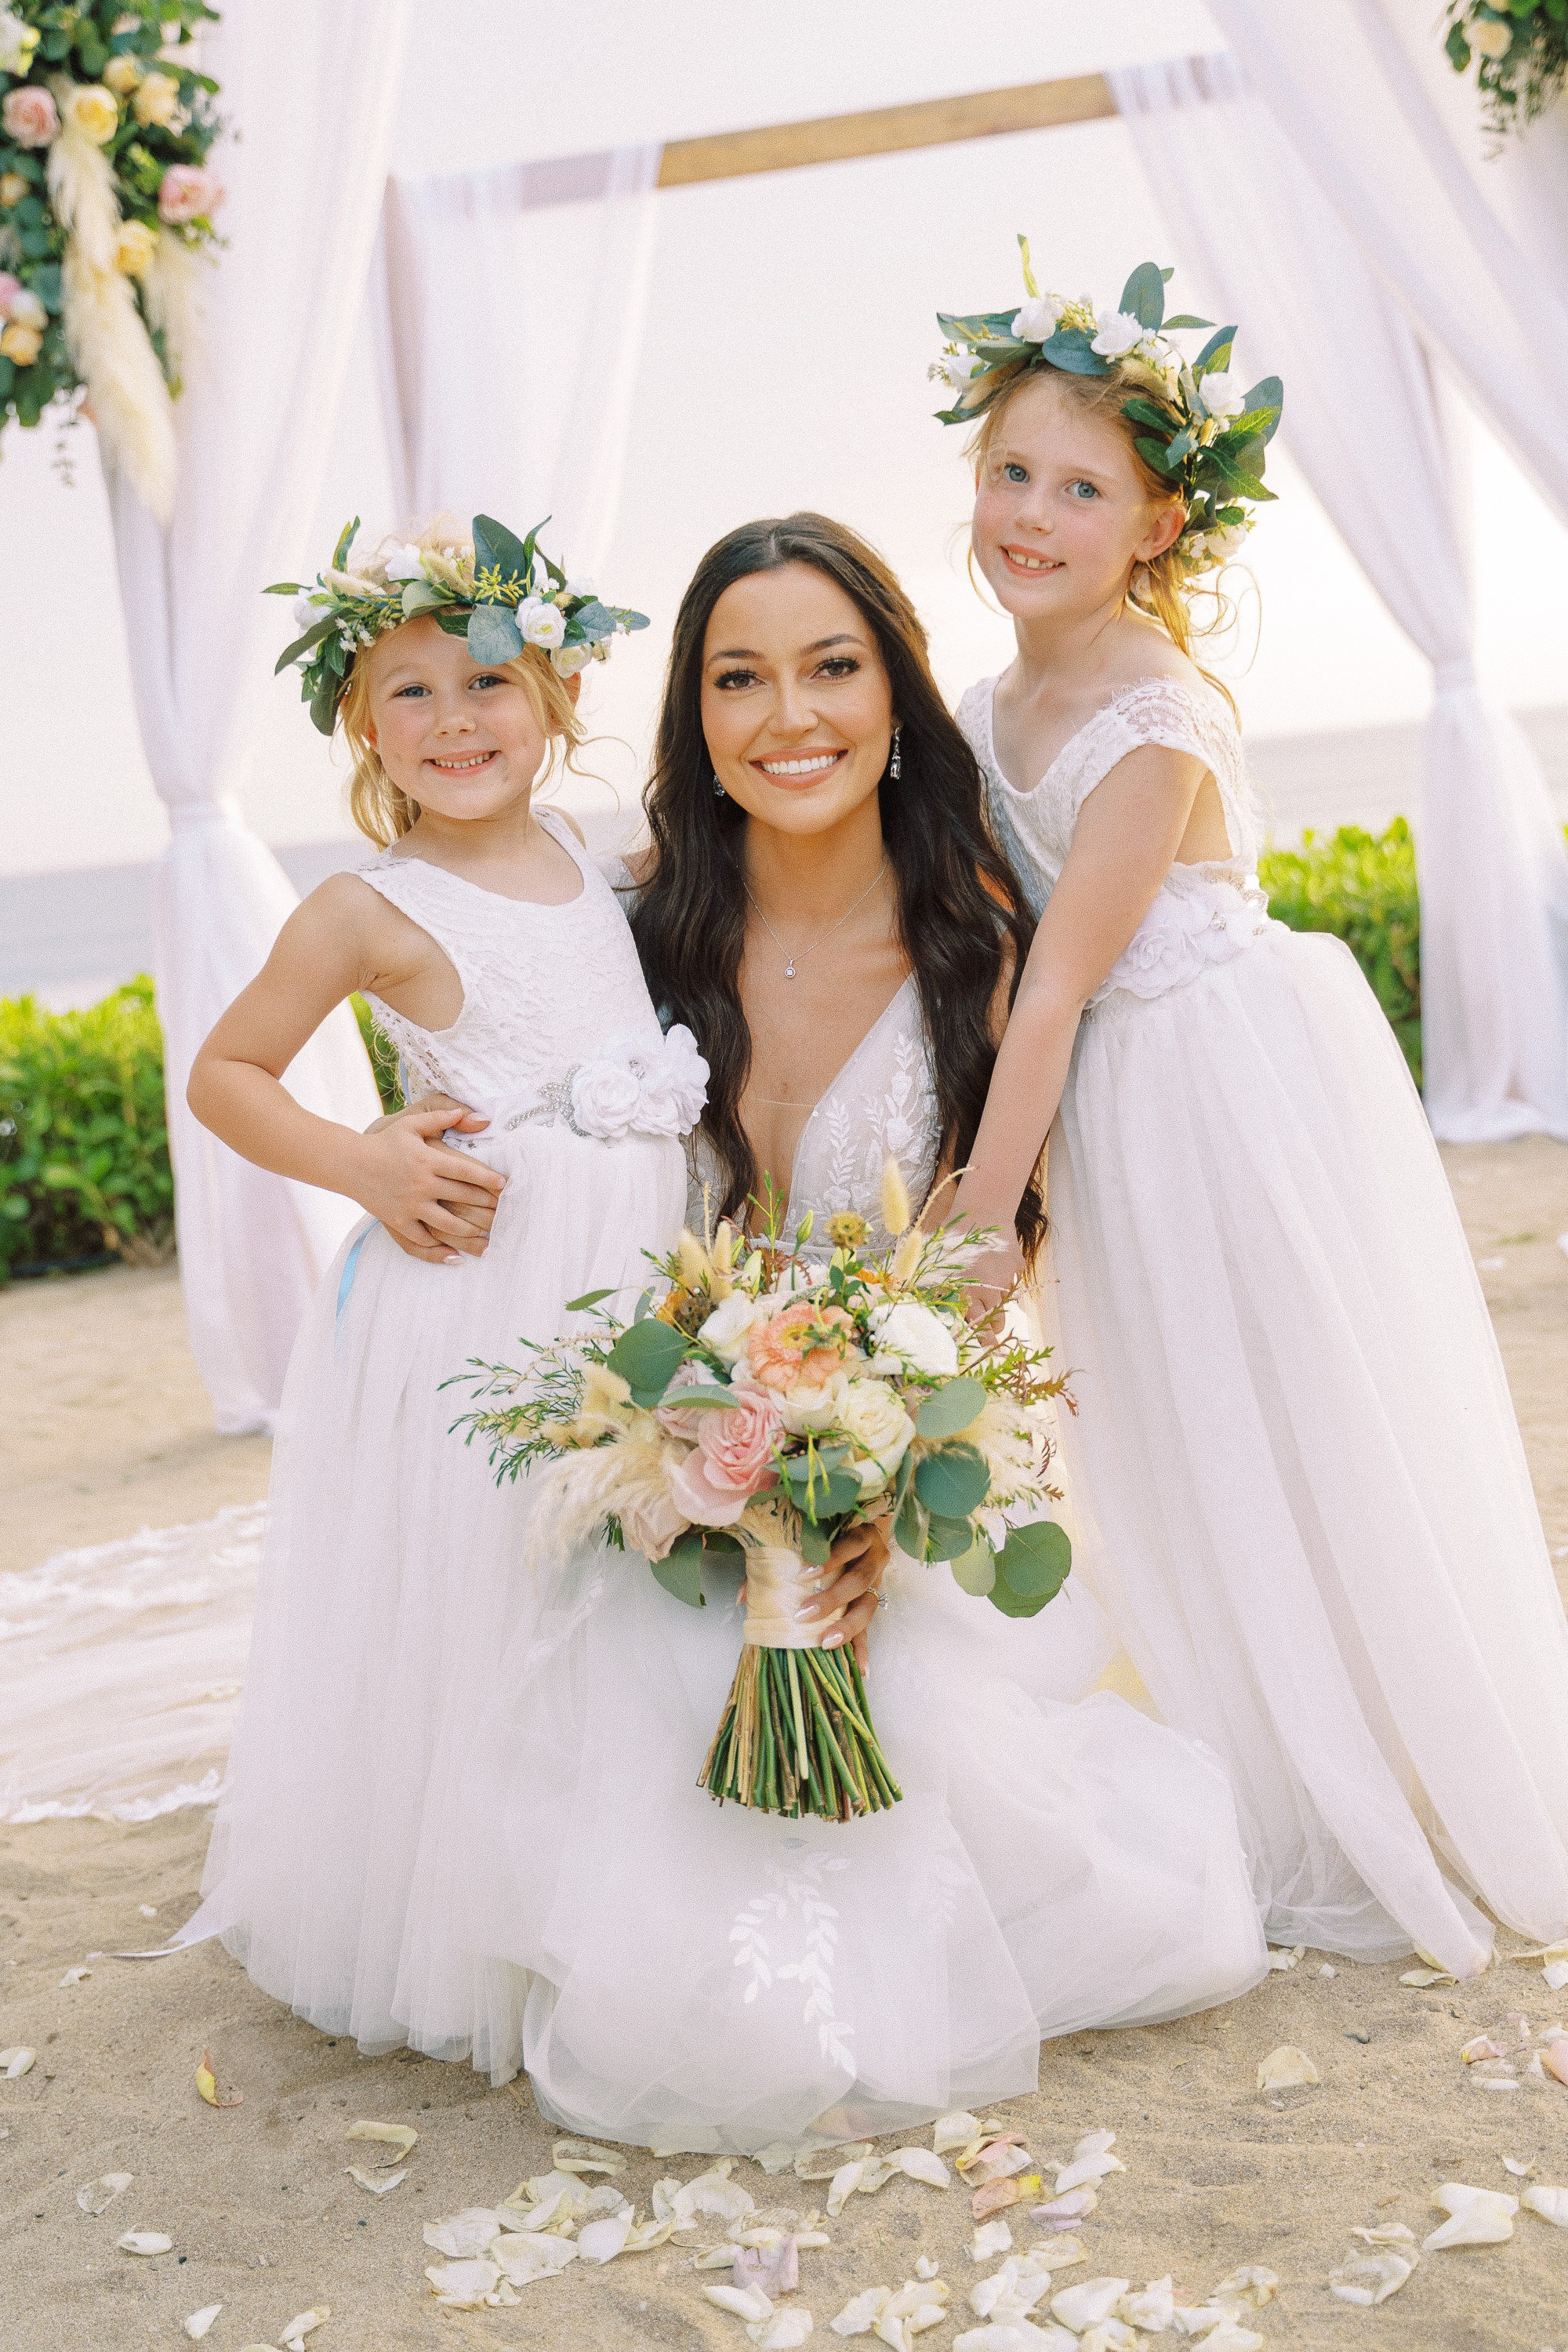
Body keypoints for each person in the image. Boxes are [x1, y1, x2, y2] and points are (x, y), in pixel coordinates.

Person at [408, 514, 1268, 2154]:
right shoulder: (629, 930)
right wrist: (387, 1142)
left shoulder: (979, 943)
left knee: (958, 1757)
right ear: (694, 717)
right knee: (633, 1689)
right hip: (671, 1458)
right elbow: (475, 1039)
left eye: (830, 668)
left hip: (900, 1469)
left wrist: (862, 1492)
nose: (788, 716)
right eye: (738, 678)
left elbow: (981, 1284)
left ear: (894, 696)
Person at [937, 249, 1568, 1975]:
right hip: (1114, 1094)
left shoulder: (1153, 711)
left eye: (1082, 489)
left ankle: (1367, 1765)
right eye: (1010, 471)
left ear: (1158, 523)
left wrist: (981, 1220)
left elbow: (1056, 983)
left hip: (1215, 1083)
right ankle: (1246, 1731)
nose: (1033, 513)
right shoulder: (986, 706)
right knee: (1161, 1414)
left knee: (1279, 1410)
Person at [174, 513, 711, 2056]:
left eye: (487, 683)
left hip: (632, 1273)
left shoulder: (602, 862)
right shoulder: (366, 908)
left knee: (638, 1564)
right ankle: (493, 1898)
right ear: (360, 723)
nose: (453, 720)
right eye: (408, 692)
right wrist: (365, 1164)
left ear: (557, 695)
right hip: (484, 1289)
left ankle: (636, 1860)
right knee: (503, 1580)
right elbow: (226, 1074)